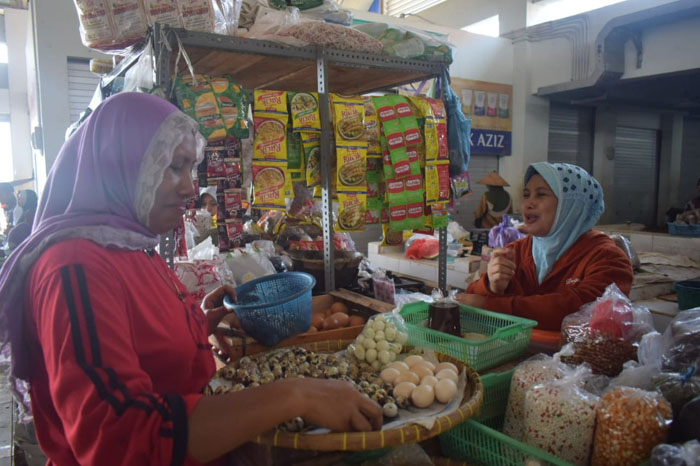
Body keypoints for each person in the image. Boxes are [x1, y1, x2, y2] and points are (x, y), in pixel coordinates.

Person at [0, 93, 382, 465]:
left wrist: (196, 326)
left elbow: (136, 342)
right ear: (121, 165)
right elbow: (121, 439)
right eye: (173, 167)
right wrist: (295, 395)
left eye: (190, 169)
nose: (189, 188)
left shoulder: (132, 243)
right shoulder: (74, 267)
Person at [457, 162, 634, 331]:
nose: (528, 203)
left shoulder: (608, 257)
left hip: (573, 361)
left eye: (541, 194)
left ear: (571, 206)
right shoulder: (516, 251)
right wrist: (491, 285)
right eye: (526, 195)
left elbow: (578, 310)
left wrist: (492, 306)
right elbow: (471, 298)